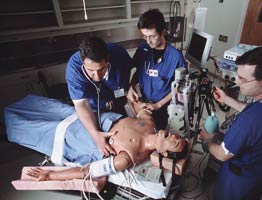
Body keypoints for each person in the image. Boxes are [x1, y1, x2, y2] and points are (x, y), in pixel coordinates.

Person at [200, 46, 262, 200]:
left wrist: (207, 142)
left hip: (238, 181)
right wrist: (227, 100)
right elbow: (257, 110)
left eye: (243, 79)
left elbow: (222, 155)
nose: (238, 82)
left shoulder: (248, 122)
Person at [26, 109, 188, 181]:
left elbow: (87, 171)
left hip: (75, 136)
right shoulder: (149, 122)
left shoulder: (129, 157)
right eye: (178, 137)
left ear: (163, 153)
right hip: (85, 116)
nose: (174, 136)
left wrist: (50, 175)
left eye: (174, 143)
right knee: (36, 105)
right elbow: (139, 106)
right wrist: (137, 100)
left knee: (23, 125)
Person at [65, 36, 132, 157]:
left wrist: (131, 88)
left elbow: (127, 82)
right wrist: (95, 134)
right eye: (90, 70)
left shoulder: (120, 55)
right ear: (82, 61)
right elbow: (81, 104)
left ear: (108, 59)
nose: (96, 76)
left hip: (117, 101)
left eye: (101, 69)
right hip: (93, 109)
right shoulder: (74, 68)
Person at [127, 9, 187, 130]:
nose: (148, 41)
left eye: (152, 36)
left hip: (163, 106)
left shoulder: (175, 57)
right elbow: (139, 71)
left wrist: (158, 105)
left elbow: (179, 86)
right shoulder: (143, 49)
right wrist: (131, 86)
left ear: (163, 32)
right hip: (144, 102)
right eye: (145, 36)